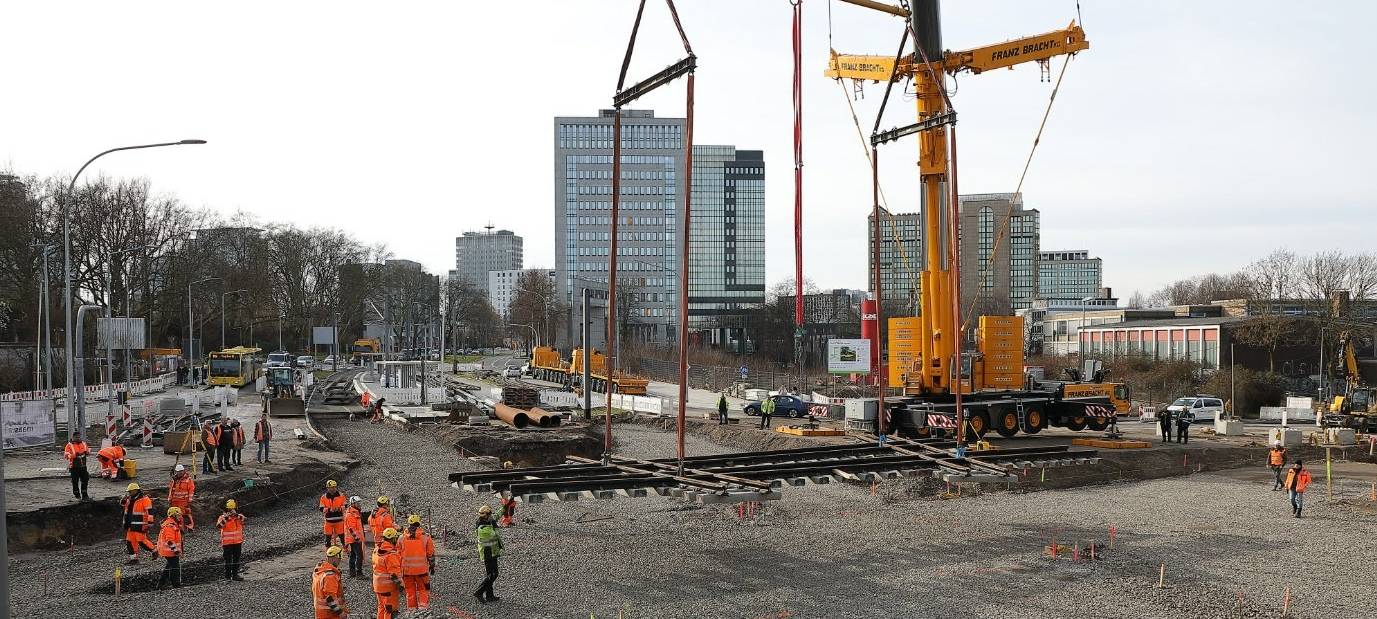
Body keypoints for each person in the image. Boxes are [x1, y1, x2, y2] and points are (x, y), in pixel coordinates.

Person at [398, 514, 436, 610]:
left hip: (406, 571)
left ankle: (411, 611)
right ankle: (423, 610)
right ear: (419, 523)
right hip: (421, 571)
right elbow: (430, 554)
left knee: (410, 591)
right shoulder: (426, 537)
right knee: (423, 590)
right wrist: (432, 566)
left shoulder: (402, 538)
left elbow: (397, 554)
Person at [473, 505, 503, 604]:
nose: (492, 516)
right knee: (493, 574)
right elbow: (494, 533)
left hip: (493, 552)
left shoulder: (488, 521)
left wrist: (506, 506)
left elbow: (497, 516)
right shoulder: (482, 527)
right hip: (487, 553)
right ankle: (479, 591)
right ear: (486, 516)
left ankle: (490, 596)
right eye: (490, 515)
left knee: (491, 574)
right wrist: (494, 524)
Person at [372, 528, 404, 619]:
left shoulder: (376, 549)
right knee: (390, 610)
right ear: (392, 539)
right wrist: (401, 586)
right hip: (388, 588)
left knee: (381, 607)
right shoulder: (391, 554)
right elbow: (394, 574)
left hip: (377, 586)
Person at [121, 482, 156, 563]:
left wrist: (149, 523)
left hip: (140, 525)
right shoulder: (130, 499)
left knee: (142, 541)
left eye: (130, 491)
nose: (129, 493)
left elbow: (150, 512)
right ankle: (134, 559)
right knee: (129, 542)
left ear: (136, 490)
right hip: (130, 525)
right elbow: (123, 504)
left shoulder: (144, 499)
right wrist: (123, 499)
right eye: (129, 492)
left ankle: (154, 550)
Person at [313, 546, 349, 619]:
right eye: (339, 559)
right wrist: (340, 612)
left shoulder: (320, 570)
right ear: (333, 558)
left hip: (320, 613)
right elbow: (329, 598)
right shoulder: (330, 576)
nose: (340, 561)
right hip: (330, 614)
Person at [216, 499, 246, 581]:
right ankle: (227, 576)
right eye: (230, 509)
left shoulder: (239, 517)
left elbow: (244, 520)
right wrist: (226, 518)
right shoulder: (222, 517)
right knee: (228, 560)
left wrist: (236, 515)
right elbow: (219, 526)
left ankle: (235, 575)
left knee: (236, 559)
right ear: (227, 509)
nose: (232, 511)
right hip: (227, 543)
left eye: (233, 509)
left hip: (237, 542)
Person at [156, 506, 185, 589]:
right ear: (174, 516)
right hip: (169, 551)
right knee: (175, 567)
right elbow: (169, 540)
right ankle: (176, 584)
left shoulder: (171, 524)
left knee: (169, 566)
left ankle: (160, 584)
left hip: (168, 551)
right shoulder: (170, 526)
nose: (180, 517)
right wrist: (176, 550)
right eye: (179, 515)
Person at [167, 463, 197, 531]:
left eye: (180, 471)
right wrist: (169, 498)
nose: (179, 473)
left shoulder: (188, 480)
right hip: (174, 501)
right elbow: (171, 489)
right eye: (178, 471)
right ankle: (178, 527)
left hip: (183, 501)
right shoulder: (174, 480)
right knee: (175, 515)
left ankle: (189, 526)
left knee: (186, 514)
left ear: (183, 471)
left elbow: (191, 489)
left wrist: (190, 499)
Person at [343, 496, 367, 578]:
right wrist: (357, 538)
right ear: (353, 503)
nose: (359, 504)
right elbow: (351, 528)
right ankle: (359, 573)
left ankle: (352, 573)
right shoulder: (351, 514)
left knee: (353, 555)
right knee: (359, 555)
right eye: (358, 503)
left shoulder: (354, 512)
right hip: (354, 539)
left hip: (353, 538)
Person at [320, 480, 347, 549]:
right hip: (328, 521)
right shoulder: (324, 497)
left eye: (334, 487)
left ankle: (347, 551)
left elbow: (345, 505)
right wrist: (329, 510)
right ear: (327, 488)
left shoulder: (341, 495)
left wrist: (339, 508)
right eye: (331, 487)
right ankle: (328, 556)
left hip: (339, 521)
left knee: (343, 538)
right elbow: (321, 508)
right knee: (327, 539)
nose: (332, 489)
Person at [64, 433, 91, 501]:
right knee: (75, 481)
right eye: (76, 437)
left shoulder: (84, 443)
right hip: (74, 466)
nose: (78, 438)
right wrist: (75, 455)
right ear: (73, 437)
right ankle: (77, 494)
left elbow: (87, 452)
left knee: (85, 479)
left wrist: (87, 453)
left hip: (83, 466)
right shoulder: (69, 445)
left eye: (79, 437)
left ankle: (85, 494)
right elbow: (66, 456)